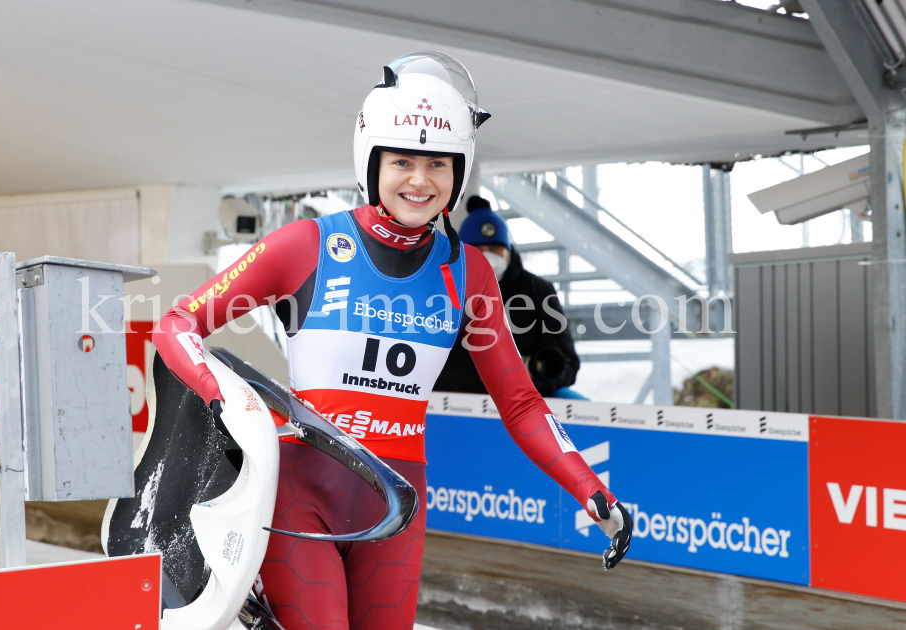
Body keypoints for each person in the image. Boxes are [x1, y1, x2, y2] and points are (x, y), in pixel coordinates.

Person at [152, 51, 631, 630]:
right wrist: (234, 398)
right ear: (371, 161)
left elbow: (522, 403)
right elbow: (176, 325)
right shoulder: (306, 246)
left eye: (438, 164)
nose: (420, 180)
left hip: (397, 504)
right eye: (402, 160)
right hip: (303, 498)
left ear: (459, 171)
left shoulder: (468, 271)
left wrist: (588, 486)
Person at [434, 196, 581, 397]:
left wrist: (530, 378)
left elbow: (567, 364)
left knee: (573, 401)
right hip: (456, 399)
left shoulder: (539, 291)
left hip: (526, 394)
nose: (488, 257)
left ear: (509, 251)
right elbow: (426, 367)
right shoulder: (440, 292)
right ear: (462, 253)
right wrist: (492, 383)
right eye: (478, 250)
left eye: (496, 249)